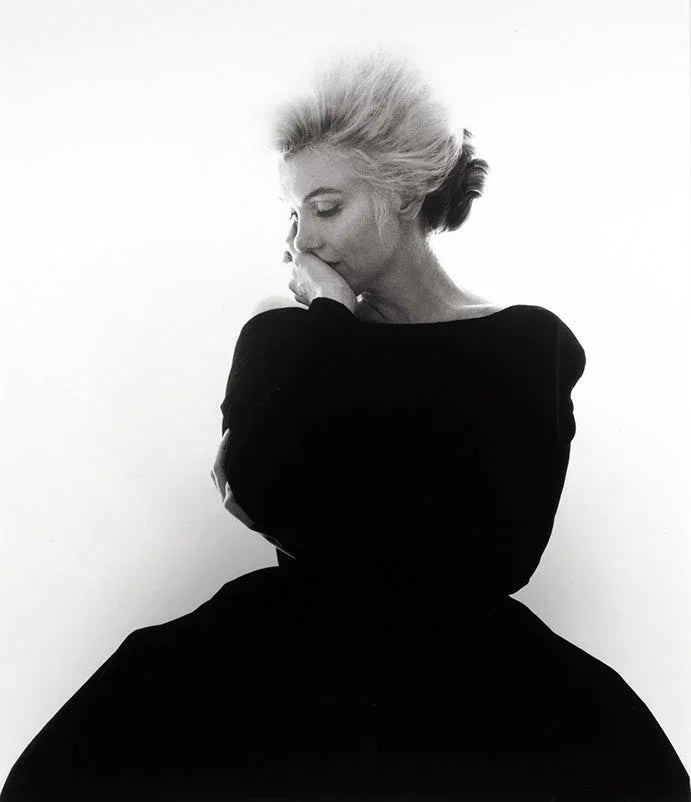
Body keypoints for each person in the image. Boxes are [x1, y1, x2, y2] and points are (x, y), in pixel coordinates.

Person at [2, 52, 689, 802]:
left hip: (464, 672)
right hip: (281, 659)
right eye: (294, 214)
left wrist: (341, 519)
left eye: (326, 207)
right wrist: (327, 316)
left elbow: (503, 550)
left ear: (403, 193)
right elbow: (254, 489)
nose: (303, 240)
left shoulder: (527, 343)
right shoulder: (283, 330)